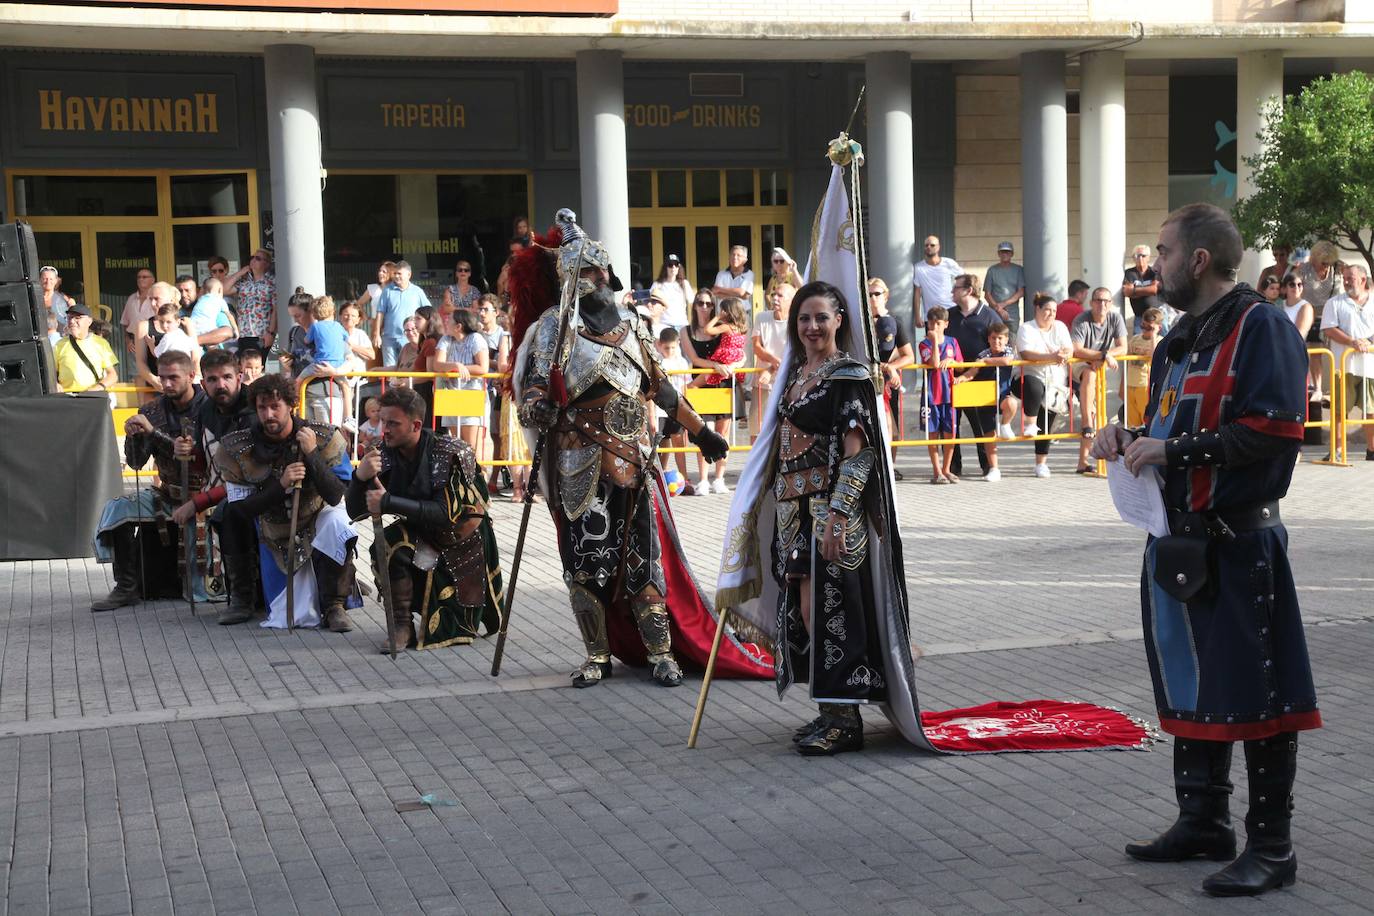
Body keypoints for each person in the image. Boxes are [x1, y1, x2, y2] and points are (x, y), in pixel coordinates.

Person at [1090, 202, 1319, 898]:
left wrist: (1173, 447)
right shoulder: (1178, 340)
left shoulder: (1263, 327)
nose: (1150, 266)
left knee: (1258, 693)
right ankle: (1203, 821)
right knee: (1191, 686)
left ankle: (1272, 848)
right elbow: (1171, 425)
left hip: (1239, 542)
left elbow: (1274, 434)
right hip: (1177, 541)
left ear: (1196, 260)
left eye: (1160, 253)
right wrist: (1128, 437)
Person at [511, 214, 733, 688]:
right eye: (588, 272)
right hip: (579, 459)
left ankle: (660, 652)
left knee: (644, 561)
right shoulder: (555, 329)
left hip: (636, 459)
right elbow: (531, 394)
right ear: (569, 276)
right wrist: (540, 408)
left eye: (602, 271)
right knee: (586, 561)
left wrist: (699, 431)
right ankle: (597, 655)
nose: (600, 279)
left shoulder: (633, 324)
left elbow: (663, 390)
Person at [717, 280, 920, 755]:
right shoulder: (795, 372)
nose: (811, 327)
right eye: (804, 319)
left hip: (828, 511)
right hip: (792, 511)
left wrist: (837, 515)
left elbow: (858, 454)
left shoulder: (847, 376)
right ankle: (831, 711)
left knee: (830, 611)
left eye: (821, 318)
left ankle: (845, 721)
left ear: (839, 321)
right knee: (804, 615)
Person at [347, 386, 504, 652]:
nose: (385, 429)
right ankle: (401, 626)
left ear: (416, 424)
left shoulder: (447, 453)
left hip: (460, 539)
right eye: (383, 421)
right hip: (421, 531)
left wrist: (388, 502)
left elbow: (445, 515)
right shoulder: (383, 451)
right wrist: (359, 478)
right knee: (387, 543)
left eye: (393, 423)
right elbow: (354, 512)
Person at [213, 373, 359, 632]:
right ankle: (242, 598)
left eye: (275, 406)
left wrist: (312, 455)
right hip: (273, 532)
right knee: (286, 616)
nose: (269, 414)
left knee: (338, 521)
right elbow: (240, 510)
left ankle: (334, 606)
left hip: (316, 524)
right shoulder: (238, 447)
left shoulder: (323, 436)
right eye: (262, 407)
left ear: (290, 405)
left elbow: (337, 495)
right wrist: (280, 487)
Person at [91, 351, 208, 611]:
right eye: (162, 377)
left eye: (173, 378)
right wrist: (133, 436)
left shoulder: (209, 406)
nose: (166, 384)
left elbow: (193, 456)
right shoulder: (151, 410)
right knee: (117, 508)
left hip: (207, 496)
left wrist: (153, 433)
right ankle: (126, 587)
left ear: (191, 375)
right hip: (167, 494)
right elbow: (135, 463)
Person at [168, 349, 258, 625]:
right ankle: (239, 597)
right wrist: (187, 453)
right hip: (223, 493)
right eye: (213, 379)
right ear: (203, 382)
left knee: (227, 513)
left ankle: (242, 600)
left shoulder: (254, 408)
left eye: (227, 377)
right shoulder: (205, 410)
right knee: (224, 512)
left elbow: (246, 476)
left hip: (262, 488)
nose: (221, 385)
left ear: (239, 377)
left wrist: (196, 503)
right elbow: (204, 466)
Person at [685, 291, 744, 494]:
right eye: (700, 303)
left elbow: (741, 353)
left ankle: (719, 478)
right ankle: (702, 479)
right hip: (706, 380)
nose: (705, 307)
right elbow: (696, 358)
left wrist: (736, 364)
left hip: (723, 382)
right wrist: (714, 366)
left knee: (723, 433)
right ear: (694, 306)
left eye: (709, 304)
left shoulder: (722, 329)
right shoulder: (688, 330)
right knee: (703, 431)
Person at [1015, 292, 1074, 478]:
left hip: (1055, 382)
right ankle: (1029, 423)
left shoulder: (1060, 327)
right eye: (1047, 309)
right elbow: (1026, 354)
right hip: (1027, 378)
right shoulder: (1027, 328)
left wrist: (1064, 354)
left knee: (1047, 422)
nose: (1051, 314)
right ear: (1037, 309)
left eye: (1054, 310)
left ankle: (1041, 463)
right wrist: (1051, 357)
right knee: (1034, 386)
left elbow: (1069, 349)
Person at [1070, 287, 1128, 473]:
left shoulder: (1115, 318)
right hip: (1081, 364)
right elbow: (1077, 349)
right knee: (1089, 374)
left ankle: (1083, 462)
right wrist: (1103, 356)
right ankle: (1086, 422)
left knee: (1097, 413)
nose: (1102, 304)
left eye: (1106, 301)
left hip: (1100, 364)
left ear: (1111, 303)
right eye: (1098, 300)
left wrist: (1105, 356)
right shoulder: (1081, 319)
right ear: (1091, 302)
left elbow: (1123, 347)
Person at [1320, 262, 1374, 459]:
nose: (1346, 282)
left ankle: (1372, 449)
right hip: (1344, 366)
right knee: (1340, 410)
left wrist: (1368, 342)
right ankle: (1337, 449)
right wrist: (1352, 341)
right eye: (1344, 279)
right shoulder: (1334, 303)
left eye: (1350, 278)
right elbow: (1329, 329)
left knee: (1371, 411)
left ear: (1362, 279)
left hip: (1370, 366)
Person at [946, 273, 997, 479]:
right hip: (953, 380)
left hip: (981, 380)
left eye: (956, 288)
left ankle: (987, 465)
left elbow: (1002, 345)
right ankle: (953, 467)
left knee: (981, 425)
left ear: (968, 290)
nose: (952, 291)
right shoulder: (949, 315)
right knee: (951, 425)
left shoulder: (990, 316)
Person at [961, 322, 1020, 481]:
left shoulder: (1007, 351)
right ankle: (994, 468)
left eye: (1000, 338)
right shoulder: (982, 354)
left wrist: (987, 362)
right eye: (993, 338)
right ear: (988, 339)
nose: (997, 342)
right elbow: (972, 372)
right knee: (989, 434)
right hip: (985, 397)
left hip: (1001, 395)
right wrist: (959, 379)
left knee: (1012, 404)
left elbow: (1007, 361)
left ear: (1006, 339)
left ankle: (1006, 424)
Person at [433, 309, 489, 453]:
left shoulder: (476, 338)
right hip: (450, 394)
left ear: (459, 326)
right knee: (457, 446)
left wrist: (464, 368)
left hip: (471, 394)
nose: (445, 321)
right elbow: (437, 364)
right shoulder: (445, 339)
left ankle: (476, 474)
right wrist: (456, 366)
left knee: (471, 447)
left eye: (449, 319)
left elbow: (483, 367)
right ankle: (461, 475)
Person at [918, 307, 963, 483]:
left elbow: (960, 365)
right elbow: (935, 364)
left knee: (949, 433)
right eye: (931, 323)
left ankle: (947, 469)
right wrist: (935, 341)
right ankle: (937, 471)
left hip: (950, 395)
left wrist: (952, 361)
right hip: (931, 396)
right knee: (933, 433)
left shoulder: (952, 342)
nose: (935, 326)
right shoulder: (925, 344)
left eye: (938, 323)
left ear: (945, 324)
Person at [1297, 241, 1345, 403]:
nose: (1326, 266)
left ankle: (1335, 390)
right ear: (1315, 259)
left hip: (1333, 316)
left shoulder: (1337, 268)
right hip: (1311, 316)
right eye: (1323, 263)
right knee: (1316, 353)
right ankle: (1317, 388)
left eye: (1329, 263)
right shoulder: (1304, 269)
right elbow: (1291, 286)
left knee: (1336, 353)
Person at [653, 327, 694, 492]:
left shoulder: (682, 362)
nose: (669, 351)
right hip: (659, 410)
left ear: (678, 344)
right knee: (661, 443)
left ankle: (684, 478)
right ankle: (659, 477)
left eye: (673, 347)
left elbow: (685, 386)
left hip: (676, 408)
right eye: (666, 348)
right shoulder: (657, 361)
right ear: (659, 345)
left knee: (679, 442)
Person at [752, 281, 793, 444]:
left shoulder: (796, 321)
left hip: (787, 383)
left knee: (785, 428)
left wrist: (772, 368)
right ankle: (754, 468)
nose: (775, 298)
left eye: (780, 295)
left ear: (791, 300)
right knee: (756, 428)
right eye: (774, 294)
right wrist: (773, 362)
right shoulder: (761, 317)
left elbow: (795, 353)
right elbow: (756, 346)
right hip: (762, 383)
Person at [371, 259, 432, 366]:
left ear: (409, 274)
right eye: (395, 273)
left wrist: (427, 333)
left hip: (410, 337)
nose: (396, 276)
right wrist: (377, 334)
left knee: (409, 369)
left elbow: (428, 312)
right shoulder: (387, 290)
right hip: (389, 338)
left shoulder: (417, 291)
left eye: (399, 273)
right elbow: (380, 312)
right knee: (390, 371)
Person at [53, 304, 118, 394]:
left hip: (93, 397)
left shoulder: (100, 343)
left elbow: (112, 375)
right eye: (69, 317)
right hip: (67, 397)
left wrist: (98, 388)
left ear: (89, 321)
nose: (72, 321)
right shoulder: (59, 344)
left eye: (78, 318)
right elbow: (50, 373)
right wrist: (55, 384)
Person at [135, 284, 187, 389]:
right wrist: (153, 380)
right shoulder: (144, 326)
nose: (153, 304)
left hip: (184, 384)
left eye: (157, 299)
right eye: (150, 299)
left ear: (172, 300)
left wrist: (196, 377)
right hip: (157, 386)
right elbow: (141, 361)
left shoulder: (185, 323)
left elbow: (195, 356)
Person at [688, 297, 747, 389]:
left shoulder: (726, 327)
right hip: (735, 360)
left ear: (727, 313)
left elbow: (707, 330)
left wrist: (717, 317)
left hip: (723, 360)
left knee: (692, 385)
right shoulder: (741, 328)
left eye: (722, 311)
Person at [225, 248, 276, 352]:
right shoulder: (244, 282)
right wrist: (240, 272)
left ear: (266, 264)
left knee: (258, 365)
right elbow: (224, 289)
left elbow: (276, 309)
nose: (253, 260)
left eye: (257, 258)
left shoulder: (272, 283)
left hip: (261, 335)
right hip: (243, 334)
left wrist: (270, 333)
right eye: (252, 257)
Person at [1125, 307, 1164, 426]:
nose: (1145, 330)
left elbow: (1154, 357)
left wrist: (1153, 335)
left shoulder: (1159, 341)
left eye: (1149, 328)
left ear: (1158, 328)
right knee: (1132, 422)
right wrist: (1123, 384)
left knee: (1146, 419)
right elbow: (1127, 361)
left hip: (1145, 386)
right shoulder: (1135, 339)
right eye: (1143, 326)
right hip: (1131, 384)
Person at [299, 296, 351, 383]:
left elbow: (306, 340)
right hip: (338, 363)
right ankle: (347, 397)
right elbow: (347, 339)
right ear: (332, 311)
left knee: (299, 380)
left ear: (314, 314)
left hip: (321, 364)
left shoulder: (315, 326)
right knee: (344, 384)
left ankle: (297, 396)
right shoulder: (338, 325)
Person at [911, 235, 962, 323]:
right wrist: (917, 317)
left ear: (938, 247)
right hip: (931, 316)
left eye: (932, 245)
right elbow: (917, 293)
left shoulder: (949, 263)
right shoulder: (918, 268)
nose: (929, 247)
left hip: (951, 312)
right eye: (926, 245)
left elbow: (964, 280)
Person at [983, 241, 1026, 329]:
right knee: (994, 338)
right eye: (1002, 252)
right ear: (998, 254)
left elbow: (1021, 292)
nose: (1005, 254)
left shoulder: (1018, 269)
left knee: (1013, 340)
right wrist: (999, 309)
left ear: (1012, 254)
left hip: (1012, 313)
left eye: (1007, 252)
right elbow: (987, 294)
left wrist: (1003, 304)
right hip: (995, 313)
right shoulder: (992, 270)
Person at [119, 267, 157, 357]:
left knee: (153, 370)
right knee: (134, 371)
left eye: (144, 277)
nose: (140, 279)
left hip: (152, 340)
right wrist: (127, 340)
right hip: (134, 344)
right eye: (139, 277)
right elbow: (125, 322)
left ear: (152, 280)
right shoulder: (131, 299)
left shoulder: (156, 298)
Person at [649, 254, 693, 330]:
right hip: (664, 324)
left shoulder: (684, 283)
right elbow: (649, 302)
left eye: (676, 265)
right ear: (665, 267)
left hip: (681, 324)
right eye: (670, 265)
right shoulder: (658, 284)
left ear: (679, 267)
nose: (673, 267)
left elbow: (691, 300)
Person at [1123, 244, 1161, 324]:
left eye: (1143, 256)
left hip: (1157, 314)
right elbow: (1127, 291)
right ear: (1133, 258)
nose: (1140, 258)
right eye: (1137, 255)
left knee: (1163, 336)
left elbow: (1154, 289)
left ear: (1148, 257)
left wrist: (1134, 291)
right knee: (1138, 336)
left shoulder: (1154, 272)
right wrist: (1147, 290)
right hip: (1140, 316)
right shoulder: (1129, 273)